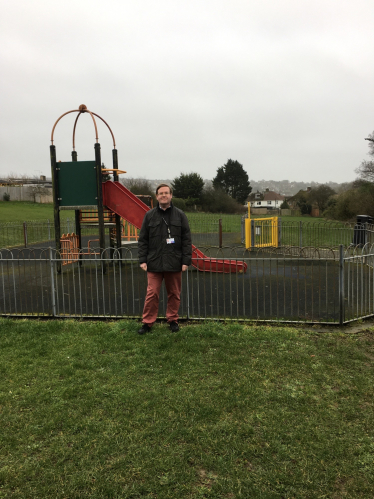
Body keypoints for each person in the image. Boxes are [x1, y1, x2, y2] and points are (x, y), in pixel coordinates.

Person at [137, 183, 192, 334]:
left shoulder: (180, 215)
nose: (163, 195)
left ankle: (173, 320)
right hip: (154, 262)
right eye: (161, 193)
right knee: (152, 294)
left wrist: (185, 261)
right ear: (156, 196)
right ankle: (147, 323)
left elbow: (186, 239)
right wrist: (143, 260)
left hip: (174, 262)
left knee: (174, 294)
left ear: (171, 195)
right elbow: (143, 240)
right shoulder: (149, 216)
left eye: (166, 193)